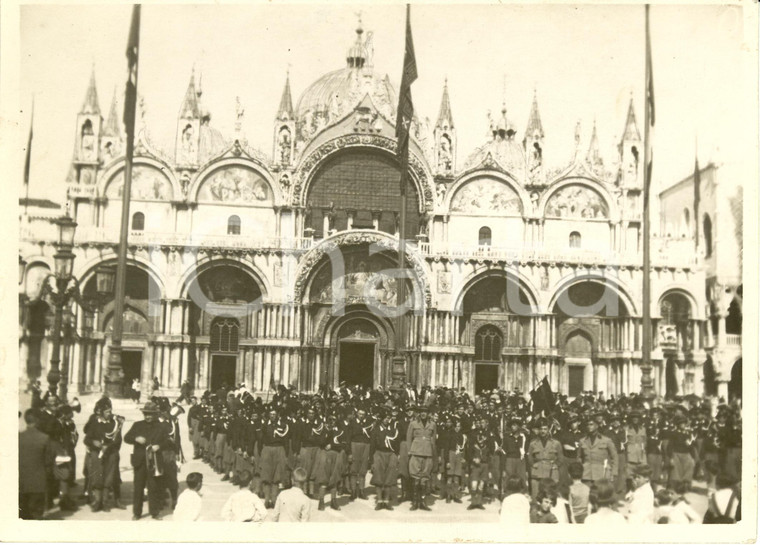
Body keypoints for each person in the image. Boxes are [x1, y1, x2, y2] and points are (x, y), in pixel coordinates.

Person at [124, 401, 173, 520]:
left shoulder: (161, 426)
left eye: (150, 414)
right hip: (140, 462)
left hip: (154, 463)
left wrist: (159, 446)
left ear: (155, 414)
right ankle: (137, 513)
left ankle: (154, 512)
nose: (148, 416)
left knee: (154, 488)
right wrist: (136, 438)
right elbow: (126, 438)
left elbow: (169, 442)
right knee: (138, 488)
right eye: (146, 414)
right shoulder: (137, 425)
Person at [19, 409, 55, 520]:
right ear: (38, 420)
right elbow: (49, 462)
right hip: (38, 483)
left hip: (21, 484)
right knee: (36, 515)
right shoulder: (44, 438)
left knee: (24, 514)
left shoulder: (18, 437)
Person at [406, 405, 436, 511]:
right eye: (421, 412)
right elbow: (408, 438)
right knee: (415, 477)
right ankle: (415, 502)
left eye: (426, 411)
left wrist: (433, 454)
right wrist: (409, 451)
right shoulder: (413, 423)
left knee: (424, 478)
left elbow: (433, 441)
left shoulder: (433, 424)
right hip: (416, 452)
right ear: (419, 413)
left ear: (428, 413)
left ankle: (423, 502)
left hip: (428, 453)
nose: (423, 413)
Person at [369, 408, 399, 510]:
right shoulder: (376, 429)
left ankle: (386, 501)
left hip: (390, 454)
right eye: (385, 418)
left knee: (389, 477)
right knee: (378, 476)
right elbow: (372, 446)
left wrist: (396, 455)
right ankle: (380, 501)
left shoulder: (393, 430)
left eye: (389, 418)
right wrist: (371, 461)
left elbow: (396, 444)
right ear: (381, 418)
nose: (387, 420)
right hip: (379, 453)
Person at [527, 418, 564, 498]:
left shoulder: (556, 443)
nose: (543, 431)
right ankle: (535, 508)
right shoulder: (533, 443)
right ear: (538, 430)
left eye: (545, 429)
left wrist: (556, 465)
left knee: (550, 495)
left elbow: (561, 458)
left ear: (548, 430)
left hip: (551, 472)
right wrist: (533, 465)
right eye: (541, 429)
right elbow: (529, 457)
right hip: (537, 471)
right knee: (535, 494)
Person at [579, 418, 617, 485]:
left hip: (601, 473)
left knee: (600, 493)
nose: (589, 426)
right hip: (586, 473)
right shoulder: (582, 441)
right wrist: (579, 471)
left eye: (591, 424)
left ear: (597, 426)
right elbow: (579, 457)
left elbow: (614, 457)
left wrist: (613, 473)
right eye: (587, 425)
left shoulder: (606, 440)